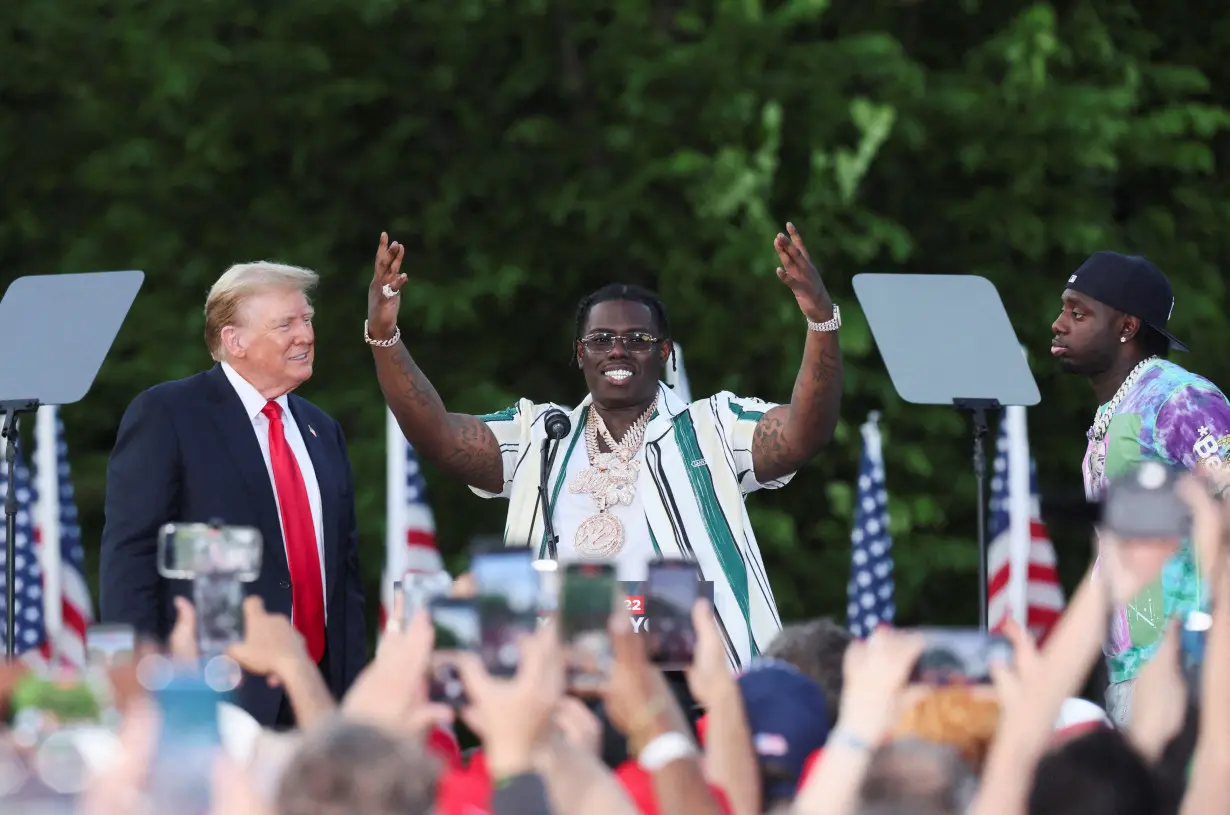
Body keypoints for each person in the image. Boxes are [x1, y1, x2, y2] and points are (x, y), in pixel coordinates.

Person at [364, 223, 842, 670]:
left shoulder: (712, 426)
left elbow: (805, 432)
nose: (618, 350)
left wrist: (821, 323)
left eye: (638, 338)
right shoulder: (540, 434)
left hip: (700, 686)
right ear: (580, 353)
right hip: (560, 687)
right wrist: (385, 339)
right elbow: (440, 437)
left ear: (664, 353)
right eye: (600, 339)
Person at [100, 262, 367, 727]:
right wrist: (138, 682)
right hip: (211, 688)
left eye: (306, 319)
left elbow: (344, 575)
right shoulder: (169, 414)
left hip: (319, 694)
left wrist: (352, 690)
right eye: (285, 324)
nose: (305, 335)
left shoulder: (323, 431)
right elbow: (130, 556)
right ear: (234, 340)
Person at [1050, 250, 1230, 724]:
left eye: (1077, 311)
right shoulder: (1120, 405)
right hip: (1133, 672)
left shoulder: (1178, 396)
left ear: (1126, 327)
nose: (1058, 323)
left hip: (1188, 670)